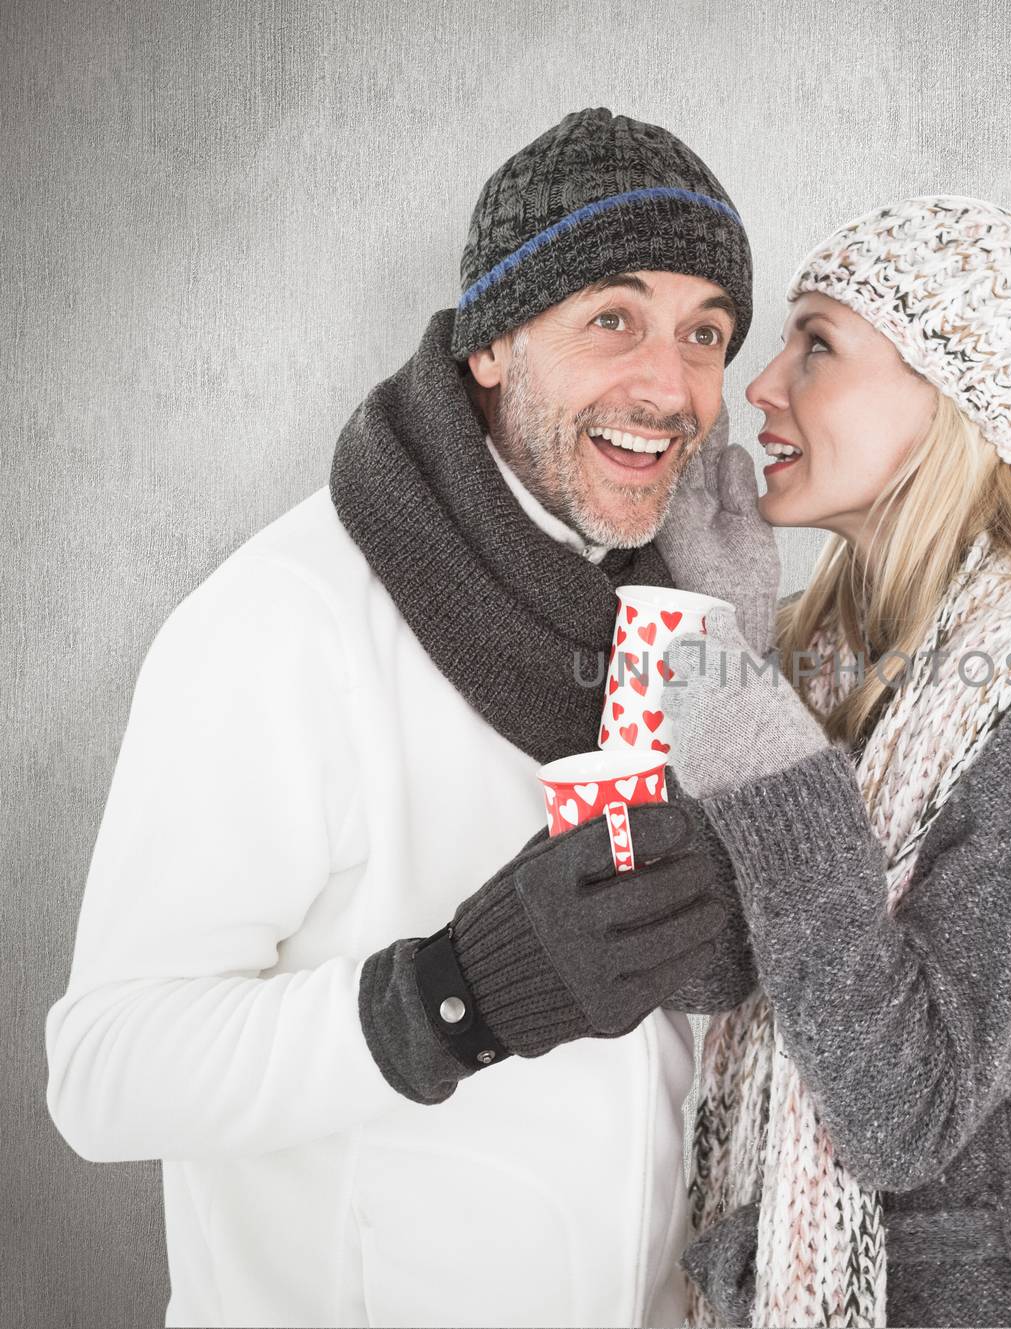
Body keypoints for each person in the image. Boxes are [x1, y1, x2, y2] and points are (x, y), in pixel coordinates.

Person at [44, 106, 764, 1328]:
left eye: (705, 333)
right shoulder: (288, 621)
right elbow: (105, 1075)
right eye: (613, 319)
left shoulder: (676, 610)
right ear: (491, 343)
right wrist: (454, 997)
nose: (672, 386)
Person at [654, 196, 1011, 1327]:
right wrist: (730, 647)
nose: (759, 385)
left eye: (819, 345)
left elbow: (900, 1112)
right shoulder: (818, 659)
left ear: (952, 399)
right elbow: (708, 972)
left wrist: (738, 717)